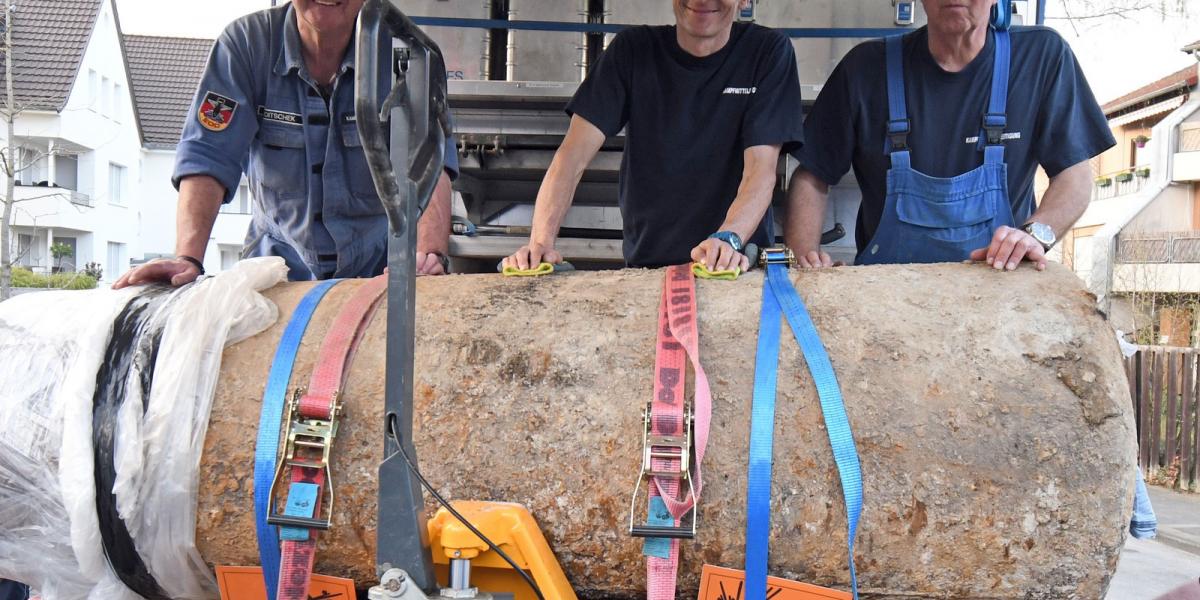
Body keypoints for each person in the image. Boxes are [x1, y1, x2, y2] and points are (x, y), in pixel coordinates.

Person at [115, 0, 458, 289]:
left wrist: (425, 257)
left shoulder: (412, 54)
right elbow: (208, 155)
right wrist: (187, 258)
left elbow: (430, 166)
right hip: (275, 277)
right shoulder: (246, 45)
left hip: (378, 278)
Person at [784, 0, 1113, 271]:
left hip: (1000, 290)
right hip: (887, 298)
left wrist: (1035, 234)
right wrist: (805, 266)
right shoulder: (866, 68)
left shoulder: (1041, 57)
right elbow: (812, 176)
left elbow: (1075, 174)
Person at [502, 0, 803, 273]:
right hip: (649, 268)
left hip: (736, 266)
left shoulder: (767, 52)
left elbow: (761, 170)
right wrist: (540, 242)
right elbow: (572, 156)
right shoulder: (632, 51)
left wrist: (728, 239)